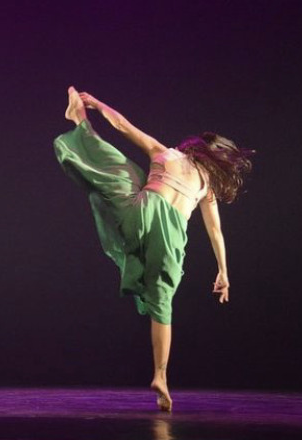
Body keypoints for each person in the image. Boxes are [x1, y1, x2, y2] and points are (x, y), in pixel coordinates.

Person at [53, 87, 252, 411]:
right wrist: (223, 272)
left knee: (121, 172)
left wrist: (98, 103)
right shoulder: (206, 186)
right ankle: (160, 376)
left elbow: (123, 126)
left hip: (140, 214)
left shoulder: (166, 153)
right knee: (162, 304)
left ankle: (80, 122)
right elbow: (215, 230)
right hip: (170, 236)